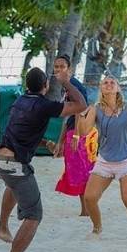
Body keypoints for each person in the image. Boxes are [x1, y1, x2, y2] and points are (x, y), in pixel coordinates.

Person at [0, 67, 87, 252]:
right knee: (34, 215)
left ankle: (2, 226)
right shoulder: (45, 105)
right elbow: (81, 105)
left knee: (13, 184)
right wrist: (65, 81)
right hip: (13, 165)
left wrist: (46, 143)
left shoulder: (20, 101)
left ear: (27, 86)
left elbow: (24, 130)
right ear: (45, 86)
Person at [76, 73, 127, 239]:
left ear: (117, 88)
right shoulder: (95, 108)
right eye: (105, 82)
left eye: (112, 82)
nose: (108, 84)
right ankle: (97, 228)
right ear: (101, 88)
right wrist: (81, 116)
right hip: (105, 161)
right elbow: (84, 131)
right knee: (89, 198)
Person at [51, 54, 93, 216]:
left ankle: (86, 210)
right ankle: (85, 209)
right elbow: (68, 114)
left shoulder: (73, 85)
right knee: (77, 170)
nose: (59, 69)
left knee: (81, 170)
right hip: (73, 132)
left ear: (69, 69)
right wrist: (60, 141)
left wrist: (76, 135)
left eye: (62, 67)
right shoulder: (66, 86)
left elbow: (80, 111)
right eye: (56, 67)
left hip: (80, 133)